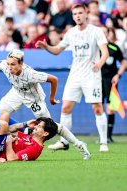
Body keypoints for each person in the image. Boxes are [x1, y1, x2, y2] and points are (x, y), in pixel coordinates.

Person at [0, 49, 91, 160]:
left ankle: (79, 145)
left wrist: (52, 98)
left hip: (34, 99)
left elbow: (54, 79)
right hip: (16, 93)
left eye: (13, 64)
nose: (9, 67)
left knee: (53, 126)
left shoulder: (30, 74)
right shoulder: (5, 65)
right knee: (0, 116)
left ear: (21, 63)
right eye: (8, 64)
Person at [36, 4, 110, 152]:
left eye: (80, 13)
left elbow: (105, 52)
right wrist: (47, 47)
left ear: (86, 13)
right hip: (75, 75)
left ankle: (103, 143)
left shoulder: (96, 31)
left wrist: (100, 63)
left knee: (97, 108)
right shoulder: (70, 32)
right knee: (65, 108)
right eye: (75, 13)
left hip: (91, 76)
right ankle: (64, 142)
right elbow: (57, 50)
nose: (77, 16)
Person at [100, 26, 126, 143]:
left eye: (105, 32)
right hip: (97, 82)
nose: (103, 35)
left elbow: (123, 64)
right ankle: (102, 137)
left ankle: (109, 136)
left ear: (109, 34)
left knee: (110, 109)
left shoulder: (114, 48)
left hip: (111, 82)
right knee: (99, 109)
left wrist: (117, 75)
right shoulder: (95, 49)